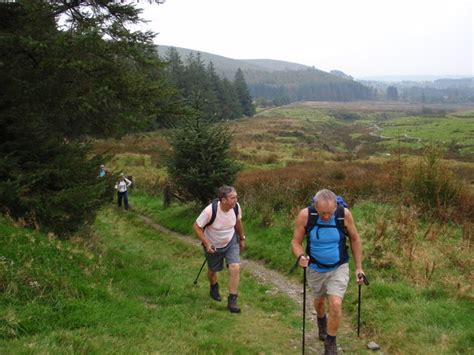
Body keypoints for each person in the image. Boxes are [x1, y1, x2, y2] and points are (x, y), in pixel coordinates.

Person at [291, 189, 365, 355]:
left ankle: (330, 342)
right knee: (318, 302)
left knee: (336, 304)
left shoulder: (343, 214)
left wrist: (359, 267)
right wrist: (301, 256)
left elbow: (355, 239)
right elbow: (296, 242)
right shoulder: (306, 215)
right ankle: (321, 320)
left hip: (339, 266)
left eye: (329, 213)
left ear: (335, 207)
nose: (326, 216)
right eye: (322, 213)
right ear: (315, 206)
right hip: (315, 268)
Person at [193, 185, 246, 313]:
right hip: (213, 244)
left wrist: (242, 238)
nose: (235, 200)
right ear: (223, 200)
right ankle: (213, 286)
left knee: (235, 267)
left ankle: (232, 300)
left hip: (230, 241)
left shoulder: (236, 207)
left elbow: (238, 222)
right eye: (232, 198)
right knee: (212, 271)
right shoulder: (209, 211)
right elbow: (196, 227)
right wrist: (206, 243)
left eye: (236, 197)